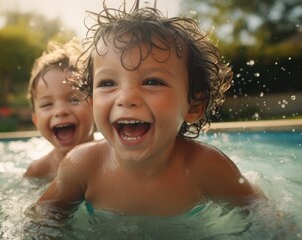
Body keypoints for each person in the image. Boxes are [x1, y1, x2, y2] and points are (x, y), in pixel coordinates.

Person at [34, 1, 264, 217]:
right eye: (108, 83)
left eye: (152, 82)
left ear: (193, 106)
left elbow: (265, 218)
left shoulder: (205, 167)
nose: (126, 97)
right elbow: (39, 223)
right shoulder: (82, 165)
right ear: (93, 102)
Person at [24, 39, 96, 179]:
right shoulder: (39, 171)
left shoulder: (114, 159)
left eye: (74, 99)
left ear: (94, 107)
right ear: (35, 119)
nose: (60, 111)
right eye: (47, 105)